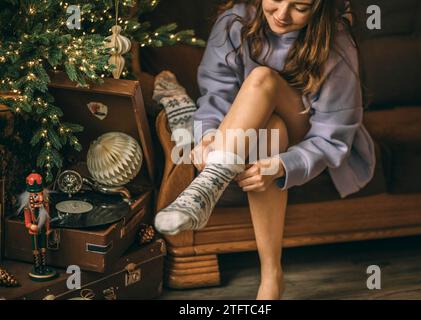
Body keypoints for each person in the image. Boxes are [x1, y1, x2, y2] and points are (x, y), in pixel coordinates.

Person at [154, 0, 376, 300]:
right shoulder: (234, 21)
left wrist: (284, 166)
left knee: (262, 78)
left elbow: (331, 136)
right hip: (251, 130)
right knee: (271, 131)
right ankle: (272, 276)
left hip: (308, 136)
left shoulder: (337, 39)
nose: (282, 14)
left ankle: (206, 186)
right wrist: (207, 135)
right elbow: (216, 95)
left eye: (300, 6)